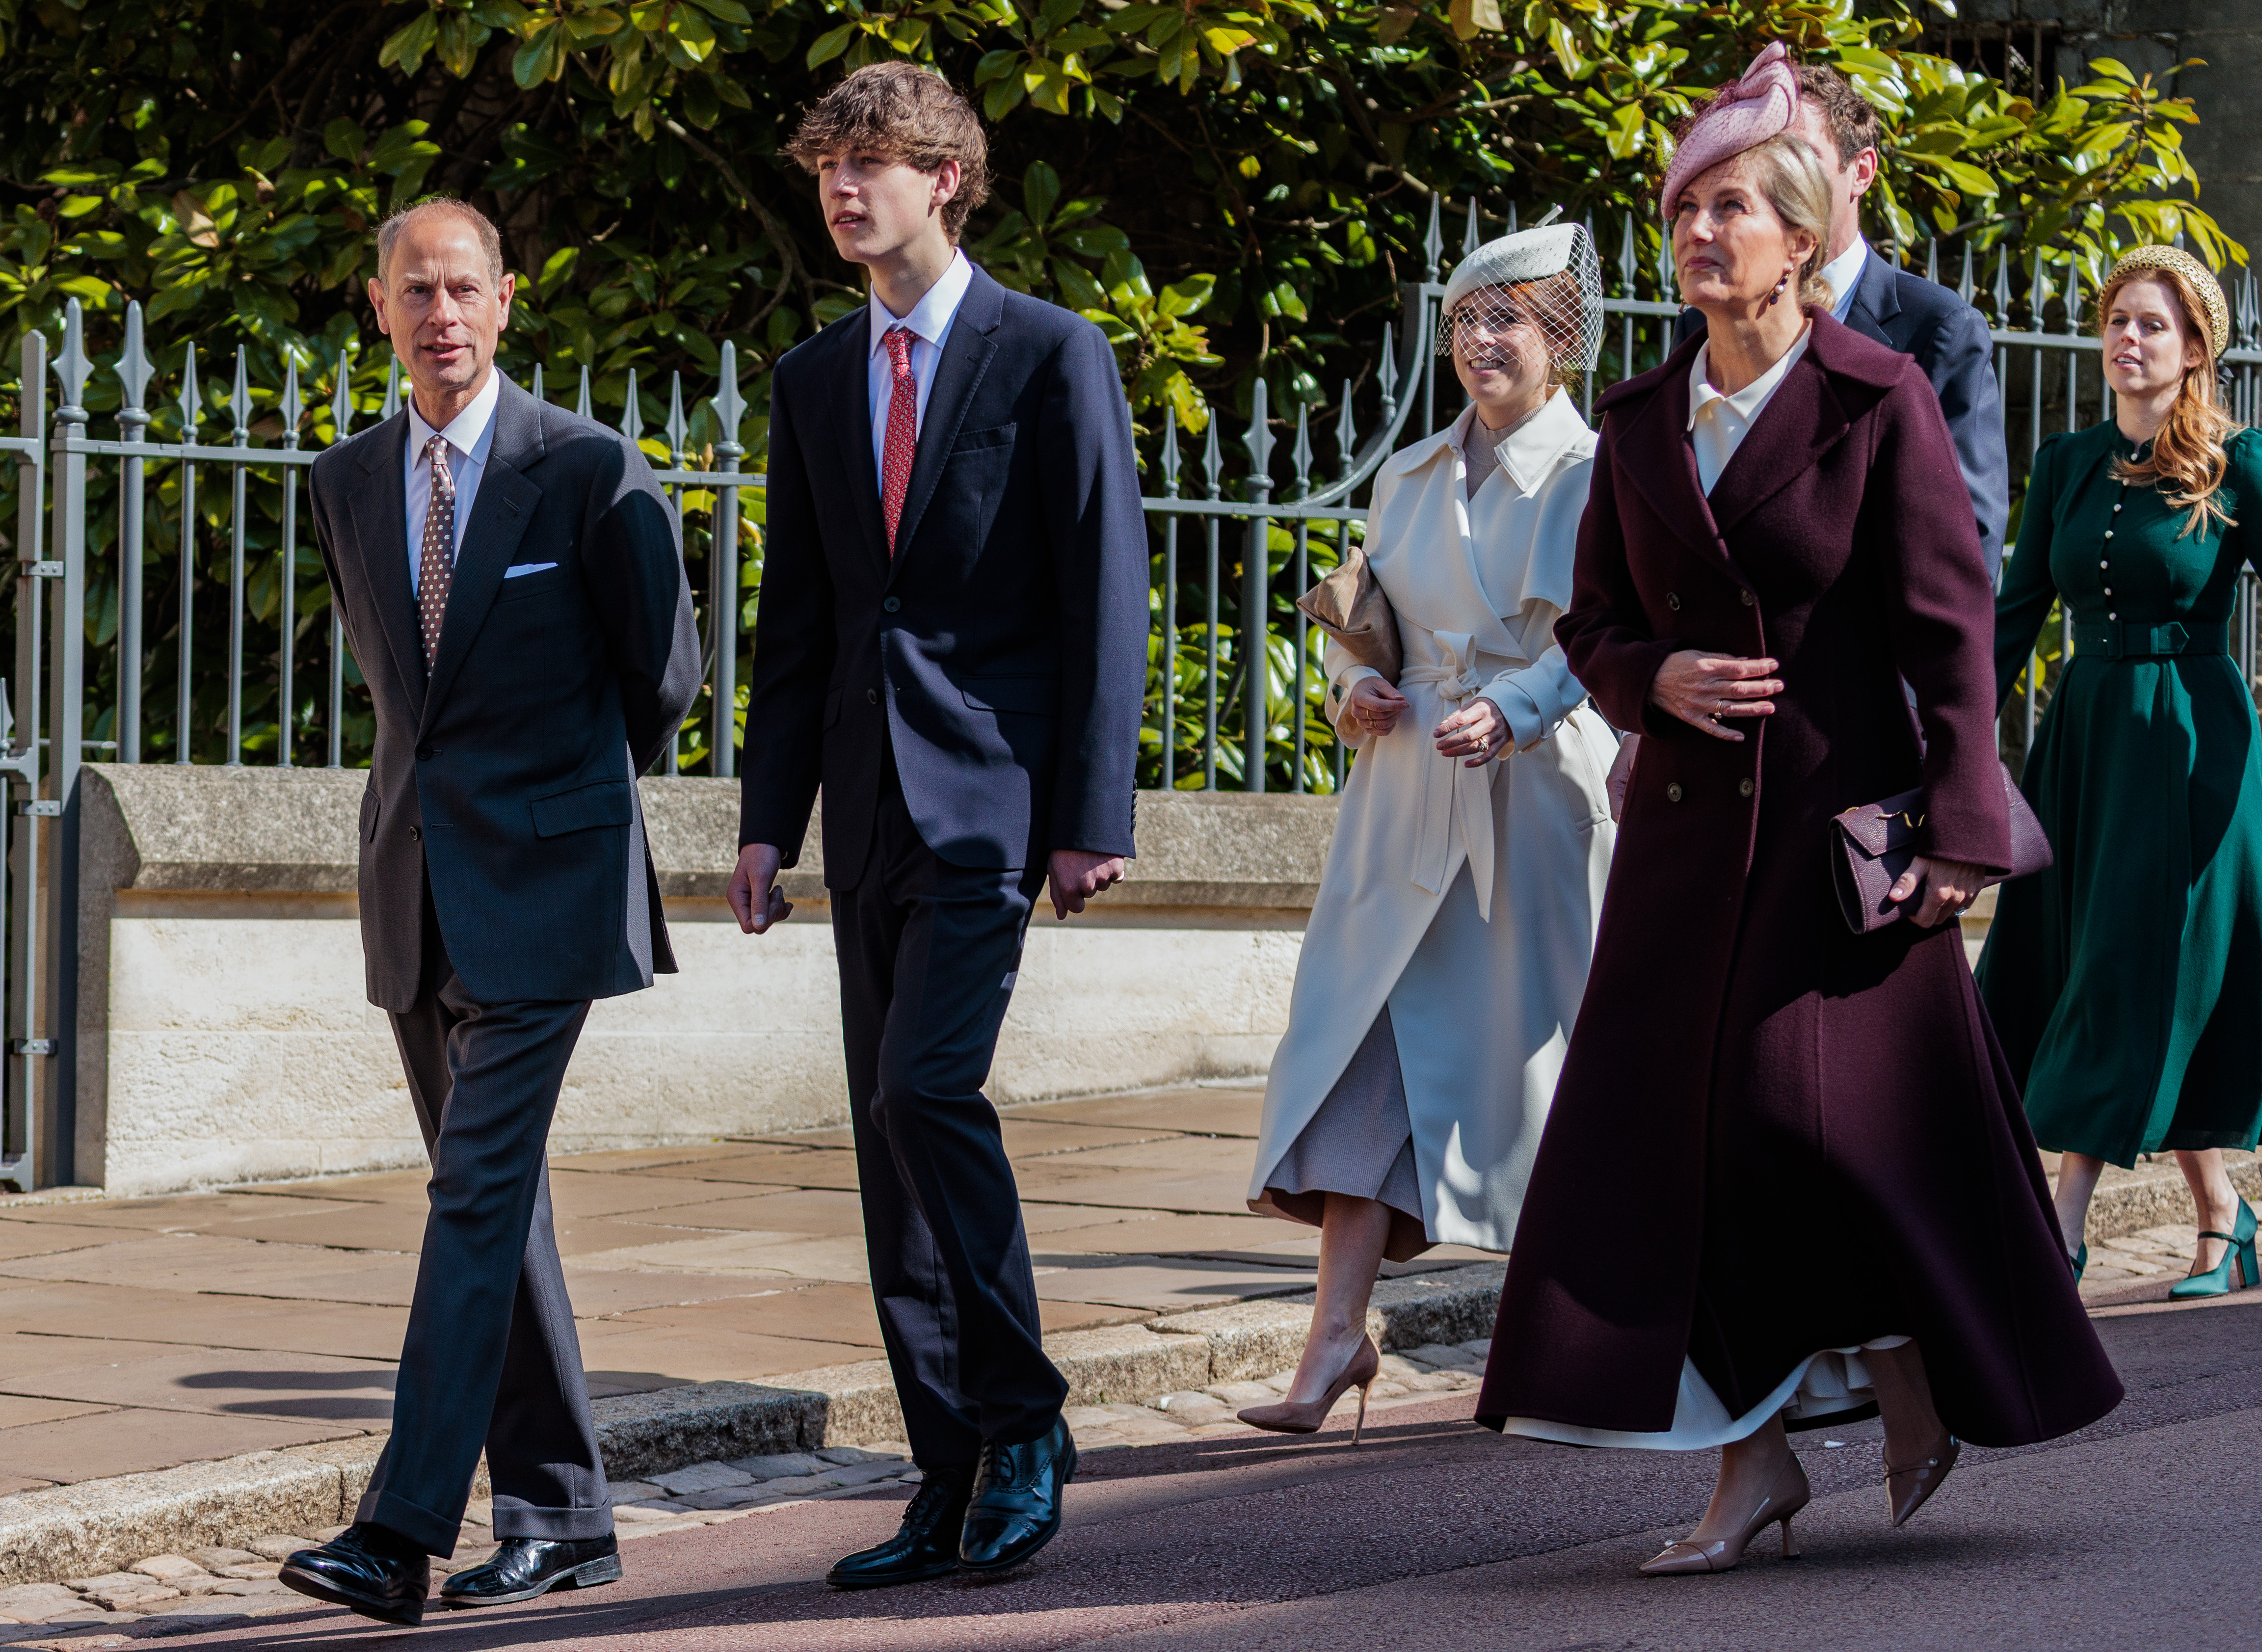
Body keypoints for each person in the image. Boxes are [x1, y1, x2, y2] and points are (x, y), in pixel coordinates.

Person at [1474, 50, 2120, 1578]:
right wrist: (1659, 677)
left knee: (1808, 1136)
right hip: (1686, 853)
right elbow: (1591, 625)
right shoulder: (1633, 422)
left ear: (1804, 235)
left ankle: (1909, 1373)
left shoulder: (1877, 397)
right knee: (1649, 1149)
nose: (1704, 233)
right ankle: (1748, 1468)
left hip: (1843, 848)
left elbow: (1948, 626)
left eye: (1737, 208)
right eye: (1687, 209)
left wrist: (1964, 830)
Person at [726, 63, 1144, 1589]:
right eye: (827, 167)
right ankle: (947, 1465)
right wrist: (771, 820)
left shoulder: (1050, 356)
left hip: (996, 797)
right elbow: (804, 621)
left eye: (873, 162)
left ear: (948, 178)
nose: (844, 189)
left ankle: (1026, 1423)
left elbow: (1107, 589)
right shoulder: (816, 380)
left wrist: (1094, 812)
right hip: (863, 805)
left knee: (927, 1093)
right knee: (883, 1149)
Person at [277, 198, 700, 1626]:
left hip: (553, 886)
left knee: (468, 1198)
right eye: (417, 292)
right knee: (495, 1209)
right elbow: (405, 698)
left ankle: (399, 1529)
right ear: (380, 309)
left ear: (508, 302)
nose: (442, 313)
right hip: (415, 887)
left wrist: (560, 805)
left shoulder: (584, 467)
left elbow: (663, 675)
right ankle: (565, 1516)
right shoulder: (343, 481)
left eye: (465, 288)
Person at [1238, 221, 1619, 1438]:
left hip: (1534, 801)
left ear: (1562, 340)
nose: (1480, 342)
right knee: (1360, 1050)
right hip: (1403, 801)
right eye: (1464, 322)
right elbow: (1371, 622)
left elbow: (1599, 628)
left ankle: (1576, 1338)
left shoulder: (1591, 473)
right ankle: (1335, 1337)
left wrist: (1510, 708)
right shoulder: (1406, 473)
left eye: (1508, 320)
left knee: (1548, 1075)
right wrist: (1356, 688)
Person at [1977, 245, 2262, 1299]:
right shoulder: (2065, 462)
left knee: (2123, 965)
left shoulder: (2239, 467)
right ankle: (2224, 1216)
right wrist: (1945, 731)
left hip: (2190, 746)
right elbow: (2012, 615)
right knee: (2105, 965)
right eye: (2115, 322)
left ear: (2193, 350)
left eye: (2149, 325)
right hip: (2085, 743)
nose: (2125, 341)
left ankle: (2060, 1224)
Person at [1674, 48, 2006, 568]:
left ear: (1862, 173)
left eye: (1799, 159)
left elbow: (1966, 545)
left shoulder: (1938, 328)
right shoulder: (1701, 320)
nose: (1777, 182)